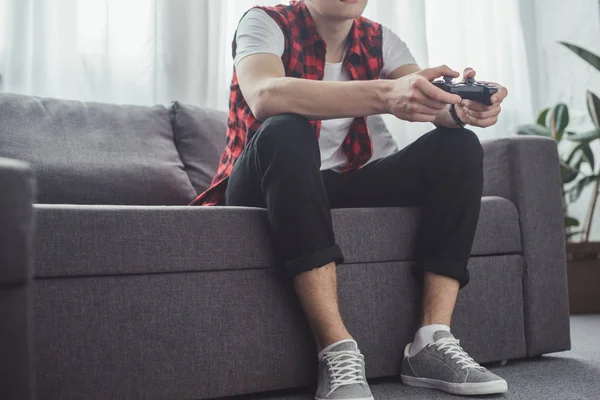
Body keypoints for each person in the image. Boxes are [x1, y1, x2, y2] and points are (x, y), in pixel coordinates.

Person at [191, 0, 509, 399]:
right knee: (286, 129)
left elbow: (427, 103)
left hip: (339, 183)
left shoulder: (380, 39)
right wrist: (386, 94)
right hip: (262, 181)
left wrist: (462, 108)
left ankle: (431, 341)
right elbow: (265, 94)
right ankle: (335, 349)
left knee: (458, 147)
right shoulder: (265, 21)